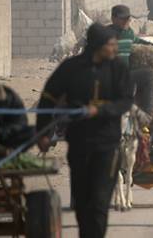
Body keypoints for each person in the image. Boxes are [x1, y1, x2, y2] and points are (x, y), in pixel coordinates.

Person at [37, 23, 133, 238]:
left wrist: (100, 110)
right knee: (81, 202)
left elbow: (126, 101)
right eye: (111, 44)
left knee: (99, 202)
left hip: (107, 146)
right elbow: (48, 98)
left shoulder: (118, 68)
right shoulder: (71, 68)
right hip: (79, 143)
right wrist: (43, 132)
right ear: (99, 46)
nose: (115, 48)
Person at [107, 5, 153, 114]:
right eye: (122, 19)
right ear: (113, 19)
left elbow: (138, 40)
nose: (126, 21)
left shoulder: (128, 33)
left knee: (150, 75)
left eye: (128, 19)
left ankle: (148, 115)